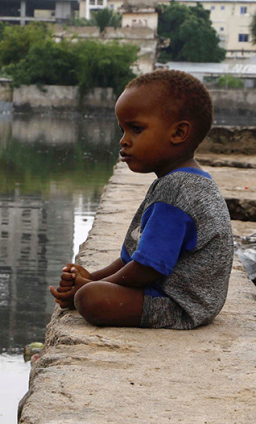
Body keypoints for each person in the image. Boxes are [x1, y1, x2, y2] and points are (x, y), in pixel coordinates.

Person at [49, 70, 233, 329]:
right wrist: (93, 276)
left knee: (90, 299)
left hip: (180, 304)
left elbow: (147, 270)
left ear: (178, 133)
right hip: (184, 297)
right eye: (123, 129)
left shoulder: (177, 190)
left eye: (136, 129)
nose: (124, 141)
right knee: (89, 291)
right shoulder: (180, 179)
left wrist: (91, 286)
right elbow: (135, 257)